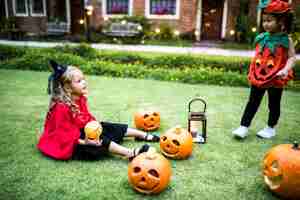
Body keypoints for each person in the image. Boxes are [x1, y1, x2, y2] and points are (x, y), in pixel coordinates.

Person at [37, 60, 160, 161]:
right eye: (79, 81)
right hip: (65, 143)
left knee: (106, 127)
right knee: (99, 143)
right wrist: (84, 141)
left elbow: (85, 118)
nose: (84, 82)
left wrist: (96, 126)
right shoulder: (61, 107)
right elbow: (63, 135)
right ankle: (129, 153)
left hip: (79, 131)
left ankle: (141, 135)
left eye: (83, 79)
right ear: (68, 87)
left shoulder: (80, 98)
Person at [232, 0, 297, 139]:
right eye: (264, 21)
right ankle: (243, 126)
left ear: (280, 21)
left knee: (273, 104)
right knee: (252, 101)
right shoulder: (261, 38)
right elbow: (258, 56)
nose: (266, 24)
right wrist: (252, 69)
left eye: (269, 21)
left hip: (276, 77)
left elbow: (292, 58)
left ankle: (270, 127)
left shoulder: (286, 40)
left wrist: (285, 69)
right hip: (259, 76)